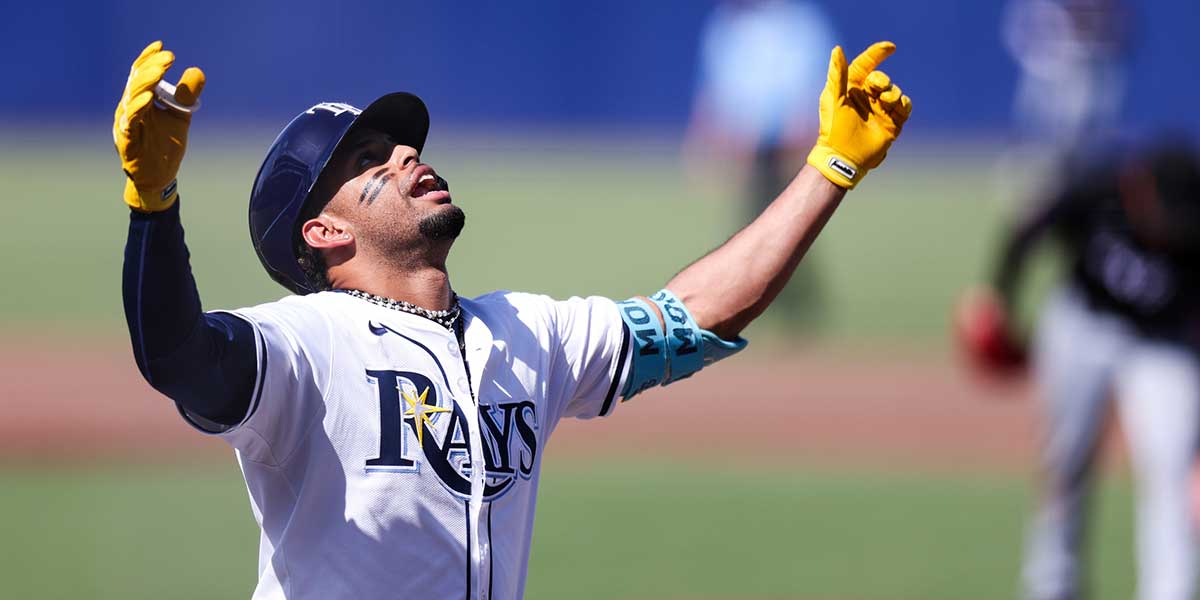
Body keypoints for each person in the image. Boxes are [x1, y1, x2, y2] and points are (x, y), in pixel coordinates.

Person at [115, 39, 910, 599]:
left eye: (397, 146)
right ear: (324, 234)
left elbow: (697, 314)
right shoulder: (303, 350)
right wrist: (153, 205)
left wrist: (828, 169)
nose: (401, 158)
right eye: (366, 163)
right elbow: (179, 356)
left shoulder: (527, 334)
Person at [955, 140, 1200, 600]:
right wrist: (998, 300)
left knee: (1174, 468)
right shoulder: (1098, 188)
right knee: (1064, 462)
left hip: (1162, 347)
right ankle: (1053, 585)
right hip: (1081, 327)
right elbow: (1028, 232)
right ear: (1142, 191)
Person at [685, 0, 837, 330]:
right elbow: (717, 86)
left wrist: (804, 127)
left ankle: (795, 303)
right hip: (748, 142)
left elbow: (813, 75)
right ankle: (760, 302)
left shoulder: (793, 21)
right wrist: (708, 137)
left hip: (783, 140)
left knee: (790, 219)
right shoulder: (728, 25)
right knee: (756, 222)